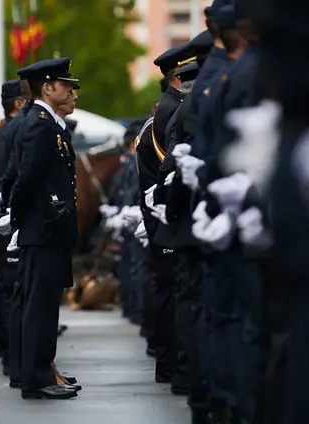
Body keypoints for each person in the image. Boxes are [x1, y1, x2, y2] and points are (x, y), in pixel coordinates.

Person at [8, 58, 80, 400]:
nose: (72, 91)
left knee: (44, 303)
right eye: (65, 85)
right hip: (43, 228)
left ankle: (38, 370)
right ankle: (36, 377)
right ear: (47, 87)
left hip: (48, 228)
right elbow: (26, 179)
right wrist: (19, 220)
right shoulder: (39, 125)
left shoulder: (49, 123)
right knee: (39, 305)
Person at [136, 42, 195, 384]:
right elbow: (168, 165)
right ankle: (172, 363)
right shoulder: (174, 110)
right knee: (173, 287)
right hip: (169, 212)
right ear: (181, 75)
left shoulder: (167, 106)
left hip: (160, 211)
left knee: (167, 286)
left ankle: (168, 360)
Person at [0, 80, 28, 375]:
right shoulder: (9, 133)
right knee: (13, 288)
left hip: (3, 215)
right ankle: (13, 357)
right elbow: (6, 177)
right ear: (18, 104)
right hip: (9, 217)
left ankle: (7, 349)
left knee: (7, 285)